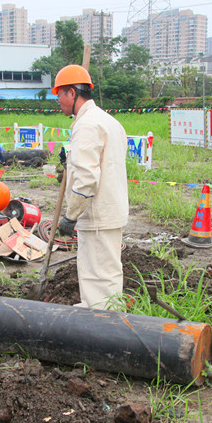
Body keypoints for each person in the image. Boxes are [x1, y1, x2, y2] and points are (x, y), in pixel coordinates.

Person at [52, 65, 129, 310]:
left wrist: (71, 216)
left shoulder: (87, 125)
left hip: (96, 215)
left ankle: (103, 324)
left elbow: (87, 178)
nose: (57, 101)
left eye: (59, 94)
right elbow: (102, 164)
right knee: (104, 275)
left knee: (99, 279)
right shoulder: (108, 121)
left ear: (72, 92)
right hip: (109, 210)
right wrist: (69, 163)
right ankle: (97, 313)